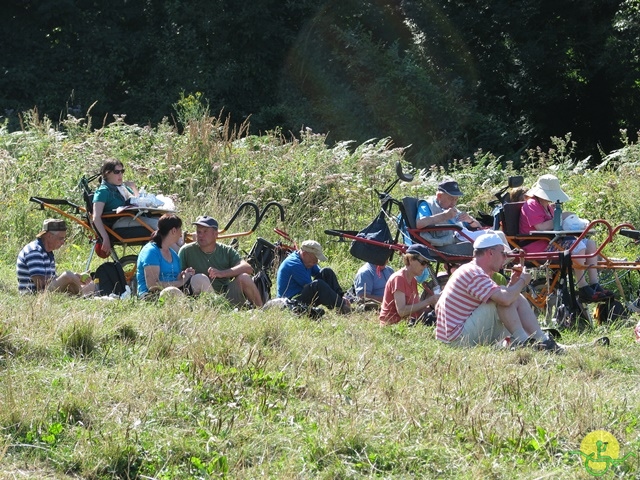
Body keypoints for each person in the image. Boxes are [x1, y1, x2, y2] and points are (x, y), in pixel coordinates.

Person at [435, 232, 562, 351]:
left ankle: (539, 340)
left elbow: (503, 298)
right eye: (503, 254)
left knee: (508, 295)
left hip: (455, 336)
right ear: (490, 253)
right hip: (457, 340)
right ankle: (529, 341)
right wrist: (523, 280)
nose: (505, 258)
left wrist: (513, 284)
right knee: (507, 297)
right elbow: (504, 299)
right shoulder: (474, 273)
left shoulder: (472, 271)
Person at [519, 174, 613, 302]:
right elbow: (540, 227)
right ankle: (582, 287)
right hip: (537, 245)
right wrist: (561, 217)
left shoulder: (547, 206)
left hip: (551, 241)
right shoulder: (531, 204)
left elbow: (555, 227)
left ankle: (594, 284)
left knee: (590, 243)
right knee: (577, 246)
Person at [178, 215, 263, 307]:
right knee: (199, 278)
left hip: (226, 295)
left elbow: (248, 268)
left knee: (244, 277)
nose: (201, 235)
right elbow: (177, 277)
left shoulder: (226, 250)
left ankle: (261, 310)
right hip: (199, 299)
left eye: (205, 232)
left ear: (216, 234)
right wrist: (185, 274)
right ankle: (215, 308)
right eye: (199, 232)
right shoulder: (186, 251)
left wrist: (222, 273)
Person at [92, 159, 170, 256]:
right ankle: (178, 257)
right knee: (160, 225)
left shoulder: (121, 187)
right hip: (119, 222)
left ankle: (179, 250)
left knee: (167, 221)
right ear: (107, 174)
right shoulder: (103, 191)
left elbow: (138, 199)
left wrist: (133, 188)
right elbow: (96, 217)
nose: (120, 175)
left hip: (132, 217)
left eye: (122, 171)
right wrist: (105, 237)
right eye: (117, 172)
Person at [136, 214, 212, 299]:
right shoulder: (151, 251)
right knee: (171, 291)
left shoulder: (173, 254)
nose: (181, 234)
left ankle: (215, 305)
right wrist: (181, 282)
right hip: (152, 296)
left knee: (200, 279)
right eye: (180, 229)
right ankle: (190, 309)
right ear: (174, 231)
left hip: (177, 293)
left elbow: (175, 278)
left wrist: (185, 275)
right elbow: (152, 285)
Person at [17, 219, 95, 295]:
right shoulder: (34, 251)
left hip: (46, 290)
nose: (63, 242)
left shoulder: (47, 252)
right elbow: (40, 285)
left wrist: (75, 278)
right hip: (34, 294)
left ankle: (83, 293)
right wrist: (69, 279)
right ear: (49, 236)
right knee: (68, 275)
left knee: (90, 285)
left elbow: (51, 279)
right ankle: (83, 295)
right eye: (61, 238)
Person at [276, 240, 351, 313]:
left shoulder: (307, 261)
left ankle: (342, 299)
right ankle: (343, 307)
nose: (316, 262)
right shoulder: (294, 264)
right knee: (318, 285)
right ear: (305, 254)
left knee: (326, 272)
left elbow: (321, 274)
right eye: (315, 258)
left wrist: (337, 295)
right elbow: (313, 286)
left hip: (300, 296)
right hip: (290, 302)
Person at [415, 179, 485, 256]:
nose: (454, 203)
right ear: (439, 196)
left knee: (496, 235)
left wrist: (470, 220)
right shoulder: (427, 204)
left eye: (456, 199)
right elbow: (419, 223)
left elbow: (479, 226)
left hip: (462, 237)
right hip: (444, 244)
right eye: (451, 199)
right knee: (493, 240)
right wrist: (444, 216)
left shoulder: (453, 209)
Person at [379, 244, 440, 325]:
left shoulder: (413, 280)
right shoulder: (398, 279)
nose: (425, 266)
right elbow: (401, 311)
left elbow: (417, 309)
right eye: (423, 262)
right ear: (411, 259)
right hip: (393, 326)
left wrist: (433, 307)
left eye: (427, 264)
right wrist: (428, 301)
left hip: (408, 323)